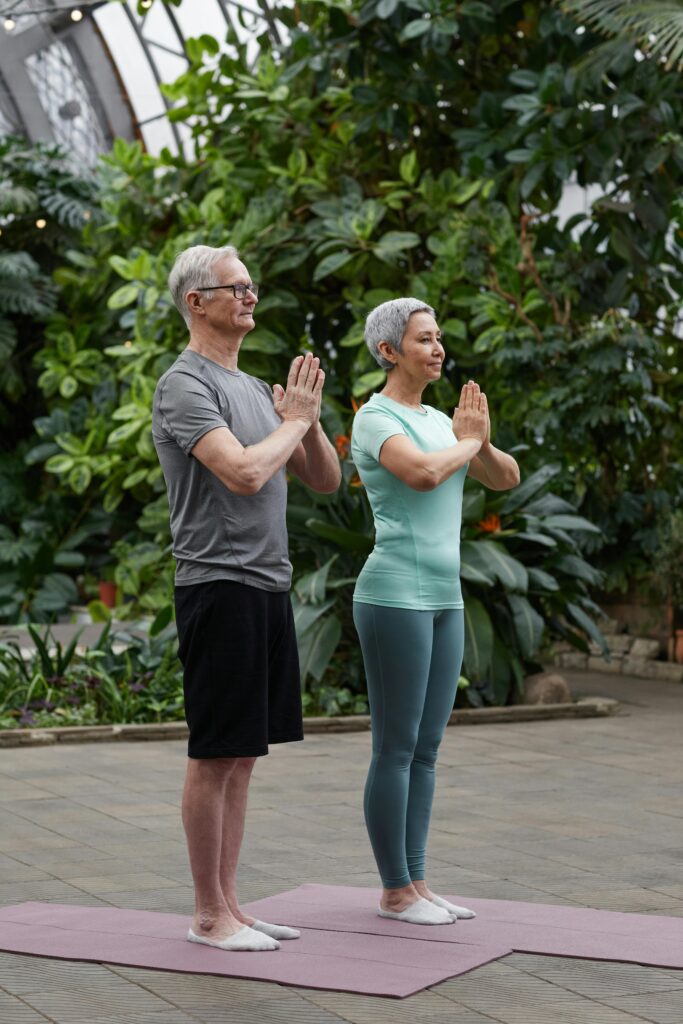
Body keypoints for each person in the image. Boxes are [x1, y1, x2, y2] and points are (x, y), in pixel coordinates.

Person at [152, 244, 341, 952]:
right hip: (217, 583)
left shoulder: (261, 391)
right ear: (197, 301)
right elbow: (240, 473)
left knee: (243, 755)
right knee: (214, 752)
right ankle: (208, 916)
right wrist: (288, 421)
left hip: (267, 581)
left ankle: (232, 903)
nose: (251, 296)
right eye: (237, 287)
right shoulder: (182, 385)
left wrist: (308, 418)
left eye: (252, 286)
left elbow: (322, 480)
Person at [351, 297, 520, 925]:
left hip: (445, 598)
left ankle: (418, 884)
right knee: (394, 750)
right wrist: (464, 442)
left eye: (439, 337)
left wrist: (478, 440)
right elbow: (421, 475)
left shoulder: (445, 423)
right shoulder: (375, 418)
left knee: (426, 751)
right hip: (393, 595)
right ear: (390, 351)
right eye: (424, 339)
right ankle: (393, 890)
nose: (438, 347)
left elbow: (504, 477)